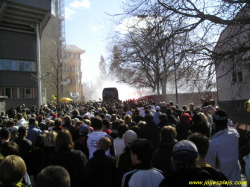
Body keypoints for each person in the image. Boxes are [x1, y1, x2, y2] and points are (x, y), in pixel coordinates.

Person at [206, 110, 241, 187]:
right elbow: (230, 124)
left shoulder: (212, 144)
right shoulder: (234, 135)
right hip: (236, 181)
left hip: (221, 183)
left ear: (214, 124)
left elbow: (211, 168)